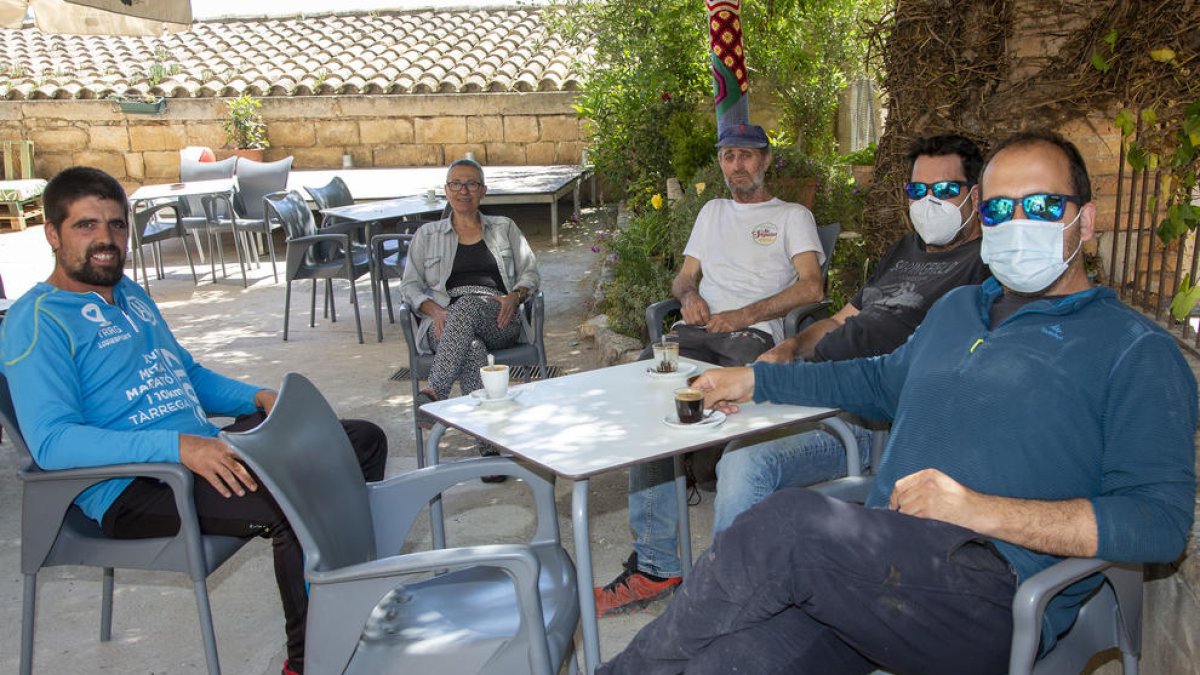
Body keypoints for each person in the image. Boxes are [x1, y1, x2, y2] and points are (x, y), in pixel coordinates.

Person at [597, 129, 1197, 674]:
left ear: (1085, 222)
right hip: (875, 573)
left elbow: (1159, 522)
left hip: (987, 590)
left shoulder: (1134, 349)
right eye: (998, 209)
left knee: (787, 525)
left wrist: (978, 510)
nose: (1019, 222)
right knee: (727, 660)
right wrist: (756, 380)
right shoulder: (960, 309)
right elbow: (877, 381)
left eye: (1041, 206)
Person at [0, 167, 388, 675]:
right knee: (292, 497)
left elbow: (186, 373)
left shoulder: (130, 293)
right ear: (52, 233)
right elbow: (52, 442)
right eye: (85, 226)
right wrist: (178, 447)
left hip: (199, 451)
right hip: (132, 486)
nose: (106, 240)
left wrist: (259, 396)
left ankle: (349, 598)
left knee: (357, 441)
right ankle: (310, 662)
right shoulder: (36, 320)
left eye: (116, 226)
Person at [595, 122, 825, 616]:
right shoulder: (712, 211)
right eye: (727, 156)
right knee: (646, 387)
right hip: (701, 333)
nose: (736, 165)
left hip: (752, 339)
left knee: (717, 397)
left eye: (745, 155)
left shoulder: (792, 216)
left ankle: (744, 568)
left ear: (765, 160)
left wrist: (745, 314)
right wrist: (691, 295)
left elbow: (812, 288)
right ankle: (657, 564)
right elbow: (682, 277)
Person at [712, 133, 992, 533]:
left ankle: (730, 589)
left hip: (870, 418)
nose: (928, 202)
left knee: (746, 460)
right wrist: (790, 347)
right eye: (918, 189)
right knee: (727, 424)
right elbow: (841, 319)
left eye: (945, 190)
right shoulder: (903, 250)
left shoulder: (983, 268)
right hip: (820, 387)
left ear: (976, 196)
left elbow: (932, 376)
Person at [399, 158, 539, 477]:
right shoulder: (427, 234)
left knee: (467, 306)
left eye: (472, 184)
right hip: (443, 323)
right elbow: (409, 285)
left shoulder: (504, 227)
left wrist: (515, 296)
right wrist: (432, 310)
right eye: (456, 184)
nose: (464, 191)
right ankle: (490, 451)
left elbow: (531, 270)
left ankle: (435, 391)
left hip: (498, 318)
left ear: (483, 191)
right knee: (471, 349)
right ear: (446, 190)